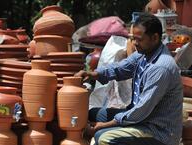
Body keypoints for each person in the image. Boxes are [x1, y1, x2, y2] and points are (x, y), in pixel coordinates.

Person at [75, 13, 183, 145]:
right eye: (133, 39)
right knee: (93, 113)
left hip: (157, 130)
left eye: (139, 39)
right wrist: (93, 74)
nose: (135, 43)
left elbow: (140, 111)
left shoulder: (161, 67)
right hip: (142, 118)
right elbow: (120, 68)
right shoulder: (143, 55)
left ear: (155, 38)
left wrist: (104, 125)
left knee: (102, 137)